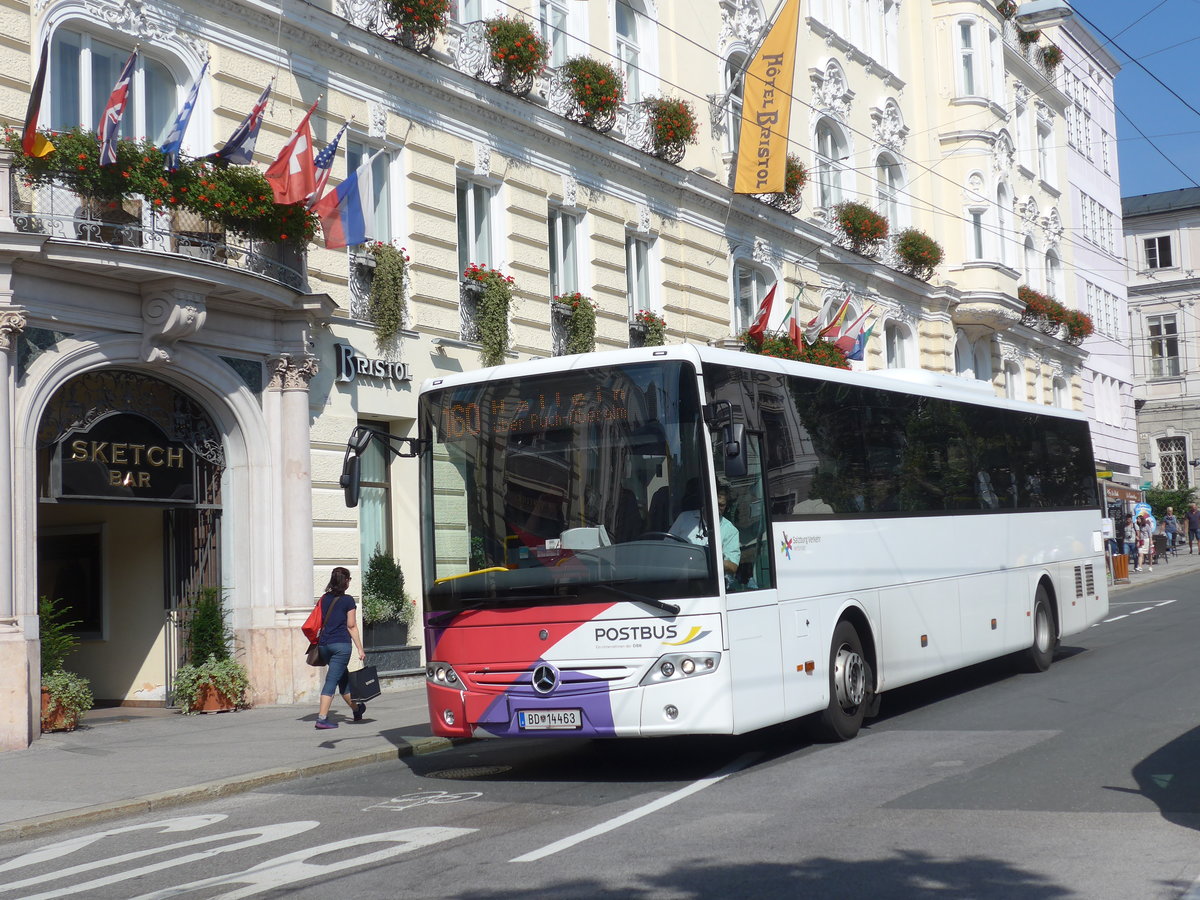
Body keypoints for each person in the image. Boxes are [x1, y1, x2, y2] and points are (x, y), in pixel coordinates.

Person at [314, 566, 367, 730]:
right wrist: (360, 648)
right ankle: (322, 718)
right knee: (331, 680)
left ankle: (357, 709)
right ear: (345, 581)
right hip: (340, 646)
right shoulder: (348, 600)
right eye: (349, 579)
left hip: (324, 645)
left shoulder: (324, 598)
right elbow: (351, 626)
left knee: (343, 679)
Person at [670, 481, 741, 580]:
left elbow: (733, 566)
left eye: (721, 505)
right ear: (706, 501)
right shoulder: (684, 518)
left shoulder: (730, 530)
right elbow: (667, 549)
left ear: (726, 506)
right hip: (680, 577)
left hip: (713, 583)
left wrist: (707, 560)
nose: (717, 508)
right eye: (713, 503)